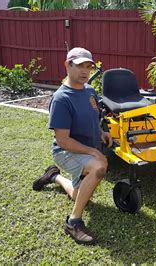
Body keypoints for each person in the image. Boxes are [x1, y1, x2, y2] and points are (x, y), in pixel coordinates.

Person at [32, 47, 112, 245]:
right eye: (79, 66)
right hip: (66, 152)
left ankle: (54, 176)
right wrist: (94, 152)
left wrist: (101, 133)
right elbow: (63, 141)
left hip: (85, 150)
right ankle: (73, 222)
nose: (85, 71)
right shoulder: (61, 99)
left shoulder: (90, 91)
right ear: (67, 65)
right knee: (99, 167)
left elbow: (93, 119)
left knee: (79, 194)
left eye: (88, 67)